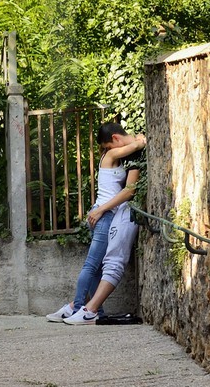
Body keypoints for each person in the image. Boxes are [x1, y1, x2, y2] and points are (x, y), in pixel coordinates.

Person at [46, 121, 145, 324]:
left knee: (97, 266)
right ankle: (78, 306)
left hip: (102, 212)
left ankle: (93, 311)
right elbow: (136, 146)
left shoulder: (116, 155)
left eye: (107, 146)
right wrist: (141, 139)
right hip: (103, 214)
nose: (107, 150)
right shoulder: (110, 155)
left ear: (114, 139)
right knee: (92, 265)